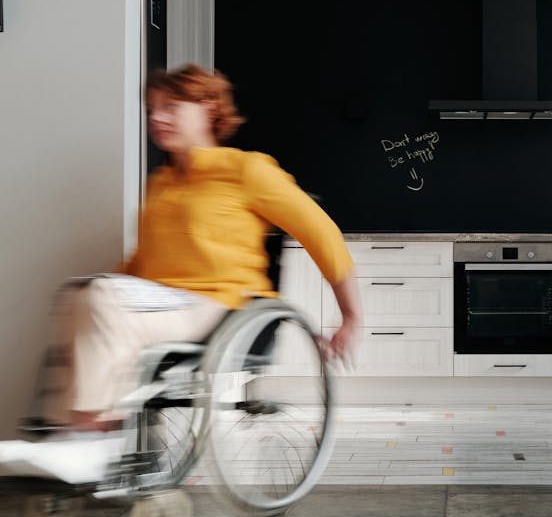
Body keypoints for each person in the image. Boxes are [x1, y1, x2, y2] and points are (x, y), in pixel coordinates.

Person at [36, 63, 362, 433]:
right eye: (152, 109)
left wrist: (351, 315)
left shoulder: (245, 169)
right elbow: (144, 261)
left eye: (171, 107)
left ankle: (89, 437)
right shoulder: (162, 183)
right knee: (78, 296)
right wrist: (102, 287)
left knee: (101, 298)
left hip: (214, 304)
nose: (157, 118)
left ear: (208, 107)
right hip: (159, 300)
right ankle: (67, 436)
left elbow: (321, 232)